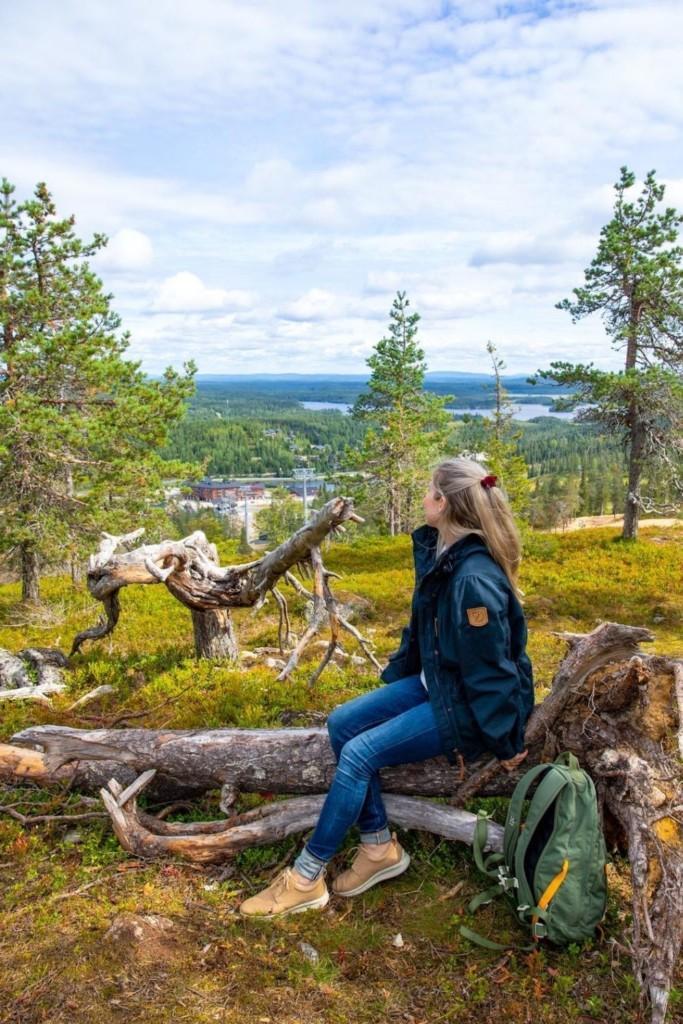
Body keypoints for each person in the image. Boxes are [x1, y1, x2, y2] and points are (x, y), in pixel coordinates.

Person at [239, 457, 534, 918]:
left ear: (445, 503)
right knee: (342, 724)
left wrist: (506, 739)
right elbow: (425, 632)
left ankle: (304, 879)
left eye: (430, 490)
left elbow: (493, 669)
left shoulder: (473, 580)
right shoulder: (443, 551)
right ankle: (379, 848)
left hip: (468, 706)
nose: (423, 497)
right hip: (437, 683)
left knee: (359, 754)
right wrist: (399, 677)